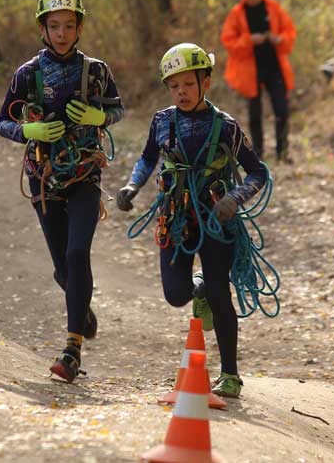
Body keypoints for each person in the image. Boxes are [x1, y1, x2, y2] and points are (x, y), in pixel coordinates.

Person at [115, 43, 269, 398]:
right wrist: (131, 186)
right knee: (175, 295)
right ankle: (195, 287)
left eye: (188, 83)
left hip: (217, 221)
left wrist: (235, 198)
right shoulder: (162, 121)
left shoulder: (226, 127)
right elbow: (146, 159)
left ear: (206, 81)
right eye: (174, 86)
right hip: (175, 218)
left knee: (219, 293)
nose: (181, 92)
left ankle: (230, 374)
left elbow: (258, 173)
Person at [0, 0, 124, 383]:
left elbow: (118, 109)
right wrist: (28, 130)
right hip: (43, 179)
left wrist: (97, 118)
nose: (63, 33)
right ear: (43, 28)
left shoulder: (97, 71)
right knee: (63, 270)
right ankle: (81, 309)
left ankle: (71, 350)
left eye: (69, 25)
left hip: (85, 175)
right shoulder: (27, 74)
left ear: (80, 27)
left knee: (76, 254)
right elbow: (2, 122)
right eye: (55, 26)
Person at [221, 0, 297, 162]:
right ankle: (259, 153)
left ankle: (282, 151)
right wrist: (249, 40)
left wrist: (278, 38)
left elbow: (289, 32)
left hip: (274, 67)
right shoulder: (237, 14)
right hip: (250, 70)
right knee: (255, 114)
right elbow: (229, 43)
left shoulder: (273, 7)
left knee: (282, 110)